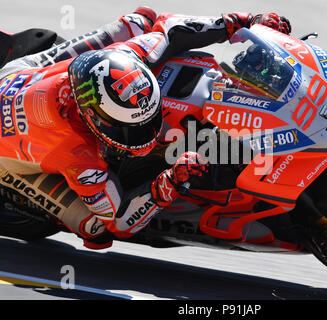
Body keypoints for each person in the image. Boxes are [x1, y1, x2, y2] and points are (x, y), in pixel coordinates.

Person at [0, 7, 291, 249]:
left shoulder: (127, 54)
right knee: (96, 228)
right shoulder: (77, 155)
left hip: (20, 73)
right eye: (130, 129)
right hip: (9, 155)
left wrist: (242, 24)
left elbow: (170, 29)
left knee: (139, 22)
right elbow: (121, 221)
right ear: (93, 119)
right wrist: (170, 182)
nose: (150, 132)